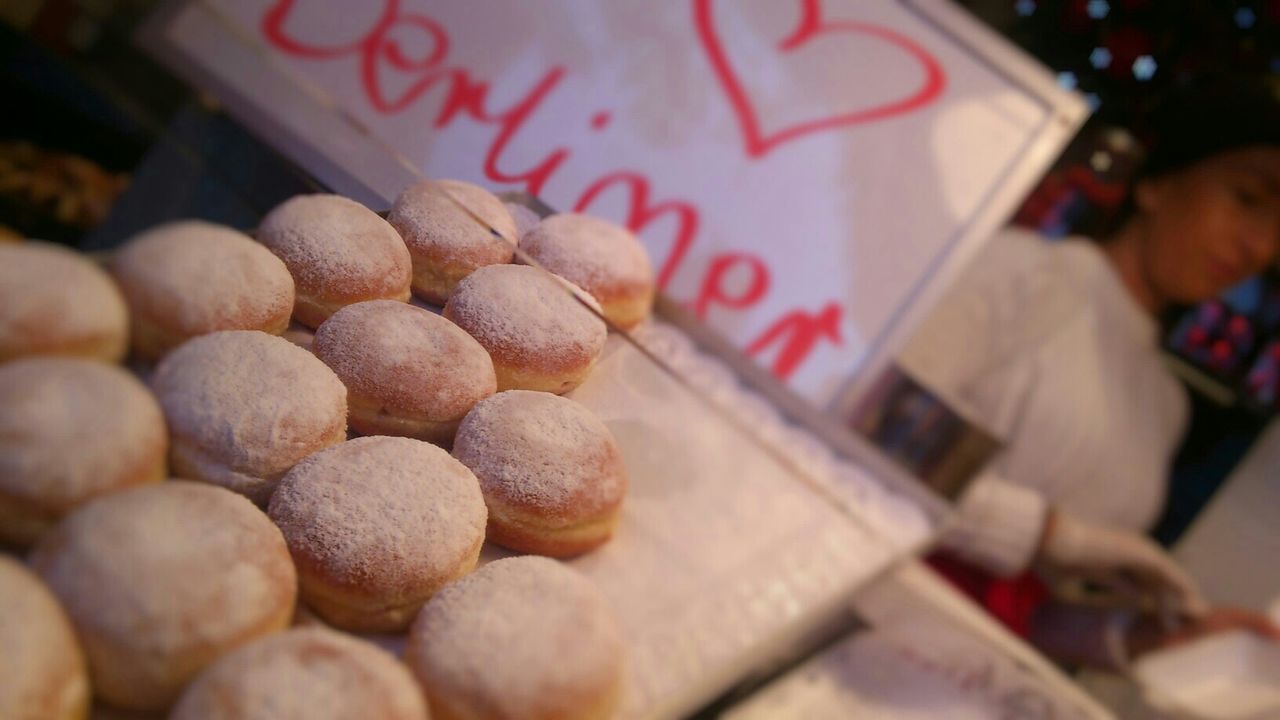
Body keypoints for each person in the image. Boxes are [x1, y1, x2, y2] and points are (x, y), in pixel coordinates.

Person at [899, 76, 1280, 668]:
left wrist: (1148, 639)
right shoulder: (1018, 273)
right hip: (847, 628)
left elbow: (1028, 614)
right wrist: (1054, 536)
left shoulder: (1164, 403)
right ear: (1156, 184)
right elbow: (873, 442)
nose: (1259, 245)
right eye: (1247, 197)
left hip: (962, 682)